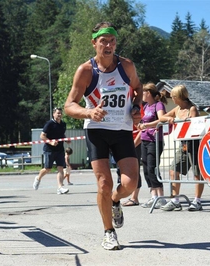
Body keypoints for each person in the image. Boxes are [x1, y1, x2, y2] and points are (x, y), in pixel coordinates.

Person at [64, 22, 143, 250]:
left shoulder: (126, 66)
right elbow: (69, 105)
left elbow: (138, 89)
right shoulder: (86, 71)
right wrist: (89, 111)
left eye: (112, 41)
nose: (108, 46)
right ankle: (108, 232)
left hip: (122, 129)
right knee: (104, 184)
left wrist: (136, 108)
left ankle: (116, 200)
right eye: (103, 41)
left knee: (130, 184)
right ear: (94, 43)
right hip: (97, 131)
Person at [159, 84, 204, 211]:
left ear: (179, 96)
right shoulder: (177, 109)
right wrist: (169, 118)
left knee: (197, 173)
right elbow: (162, 117)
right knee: (174, 170)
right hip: (183, 144)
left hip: (194, 144)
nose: (172, 99)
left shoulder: (192, 109)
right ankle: (175, 200)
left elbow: (194, 126)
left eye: (173, 96)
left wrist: (186, 121)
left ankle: (197, 200)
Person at [138, 83, 167, 209]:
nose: (142, 95)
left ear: (148, 93)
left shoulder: (158, 105)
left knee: (152, 167)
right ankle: (153, 196)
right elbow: (143, 122)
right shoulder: (146, 106)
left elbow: (162, 119)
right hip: (145, 140)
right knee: (145, 168)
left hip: (155, 141)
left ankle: (161, 197)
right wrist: (140, 125)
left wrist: (147, 126)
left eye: (143, 92)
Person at [33, 107, 71, 195]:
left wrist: (66, 139)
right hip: (49, 150)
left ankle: (60, 187)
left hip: (60, 149)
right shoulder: (49, 124)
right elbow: (42, 136)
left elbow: (62, 134)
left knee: (60, 168)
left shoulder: (63, 124)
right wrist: (50, 142)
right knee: (47, 169)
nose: (59, 115)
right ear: (53, 114)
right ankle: (38, 178)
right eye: (58, 113)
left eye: (61, 113)